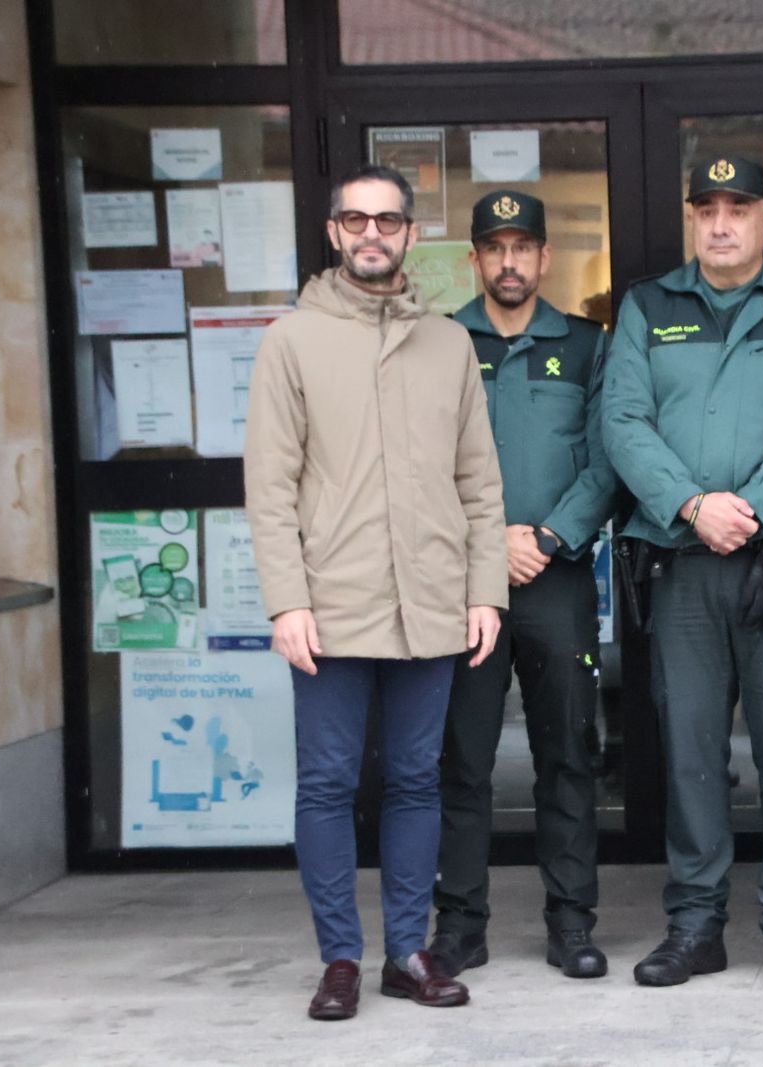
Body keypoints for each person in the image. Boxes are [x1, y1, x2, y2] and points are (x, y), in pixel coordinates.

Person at [245, 164, 507, 1021]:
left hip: (431, 598)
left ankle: (407, 950)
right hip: (333, 602)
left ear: (408, 234)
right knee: (325, 783)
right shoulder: (293, 339)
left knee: (416, 780)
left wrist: (485, 591)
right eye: (355, 220)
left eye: (387, 221)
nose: (371, 234)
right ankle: (340, 958)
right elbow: (270, 484)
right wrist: (287, 600)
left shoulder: (449, 343)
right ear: (332, 232)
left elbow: (480, 480)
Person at [603, 155, 763, 994]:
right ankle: (696, 923)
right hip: (681, 561)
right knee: (691, 752)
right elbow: (623, 421)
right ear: (691, 221)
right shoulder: (648, 304)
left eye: (738, 208)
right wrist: (690, 505)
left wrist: (748, 506)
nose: (720, 224)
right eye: (705, 208)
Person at [428, 190, 617, 980]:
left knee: (567, 755)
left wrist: (544, 537)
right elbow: (416, 463)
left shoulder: (585, 346)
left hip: (556, 579)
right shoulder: (434, 346)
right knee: (462, 759)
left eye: (522, 247)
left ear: (545, 258)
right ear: (473, 260)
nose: (509, 262)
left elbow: (611, 457)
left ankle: (571, 923)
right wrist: (487, 541)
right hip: (465, 586)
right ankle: (460, 927)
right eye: (493, 248)